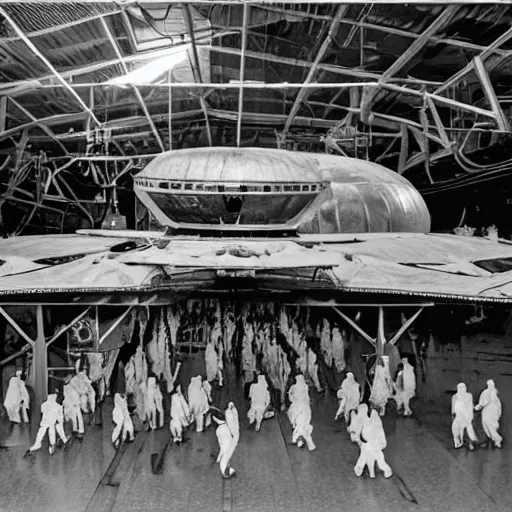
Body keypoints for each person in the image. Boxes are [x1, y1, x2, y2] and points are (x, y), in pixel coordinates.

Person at [354, 409, 393, 479]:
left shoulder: (376, 420)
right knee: (363, 456)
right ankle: (359, 467)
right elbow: (358, 428)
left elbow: (380, 431)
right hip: (365, 442)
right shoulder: (362, 417)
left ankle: (387, 470)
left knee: (379, 458)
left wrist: (382, 442)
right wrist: (358, 439)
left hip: (374, 443)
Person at [287, 374, 316, 451]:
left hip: (296, 408)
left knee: (298, 424)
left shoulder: (293, 387)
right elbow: (307, 398)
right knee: (302, 424)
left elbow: (290, 399)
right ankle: (302, 440)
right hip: (305, 408)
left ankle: (300, 439)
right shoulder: (305, 386)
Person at [211, 403, 239, 479]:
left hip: (226, 446)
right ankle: (231, 471)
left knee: (223, 461)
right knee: (225, 460)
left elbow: (222, 444)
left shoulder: (220, 430)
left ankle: (225, 473)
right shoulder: (225, 426)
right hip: (229, 444)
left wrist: (220, 455)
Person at [475, 379, 502, 448]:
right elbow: (482, 402)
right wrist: (479, 406)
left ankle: (497, 439)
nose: (491, 385)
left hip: (493, 412)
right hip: (487, 412)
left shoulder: (495, 392)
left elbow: (498, 403)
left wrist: (499, 412)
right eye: (489, 384)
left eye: (492, 384)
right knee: (486, 425)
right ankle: (495, 439)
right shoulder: (485, 392)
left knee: (491, 426)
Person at [452, 382, 478, 450]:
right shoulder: (455, 396)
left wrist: (471, 413)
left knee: (469, 429)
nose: (462, 389)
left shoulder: (469, 395)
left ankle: (471, 442)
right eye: (460, 388)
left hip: (467, 416)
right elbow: (453, 408)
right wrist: (454, 415)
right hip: (459, 416)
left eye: (463, 387)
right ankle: (459, 442)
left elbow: (470, 405)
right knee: (457, 429)